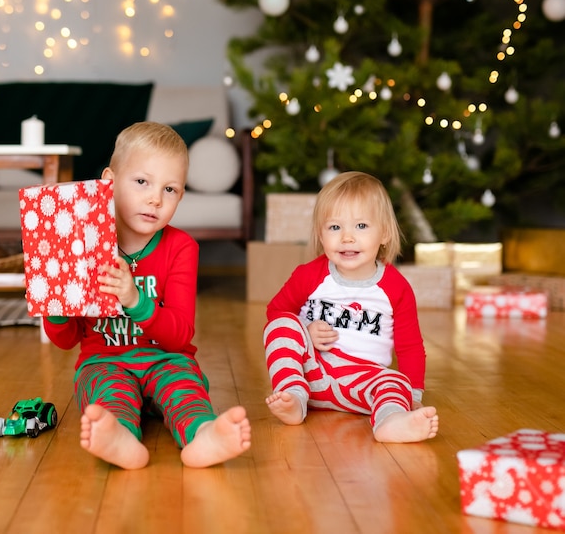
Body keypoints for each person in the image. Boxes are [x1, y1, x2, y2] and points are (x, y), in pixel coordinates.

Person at [42, 121, 252, 469]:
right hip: (104, 362)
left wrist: (136, 301)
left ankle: (203, 435)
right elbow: (65, 341)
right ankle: (121, 438)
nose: (156, 198)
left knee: (184, 386)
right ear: (108, 182)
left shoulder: (182, 248)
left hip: (166, 359)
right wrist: (56, 307)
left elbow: (180, 335)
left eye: (170, 190)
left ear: (181, 196)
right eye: (142, 182)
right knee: (108, 394)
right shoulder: (83, 244)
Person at [263, 171, 439, 443]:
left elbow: (410, 347)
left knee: (395, 384)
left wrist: (412, 395)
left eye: (361, 226)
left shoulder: (396, 287)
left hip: (364, 382)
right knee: (280, 325)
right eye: (335, 228)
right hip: (312, 374)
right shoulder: (309, 275)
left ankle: (390, 421)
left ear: (385, 233)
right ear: (320, 234)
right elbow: (276, 313)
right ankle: (293, 397)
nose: (347, 238)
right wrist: (305, 332)